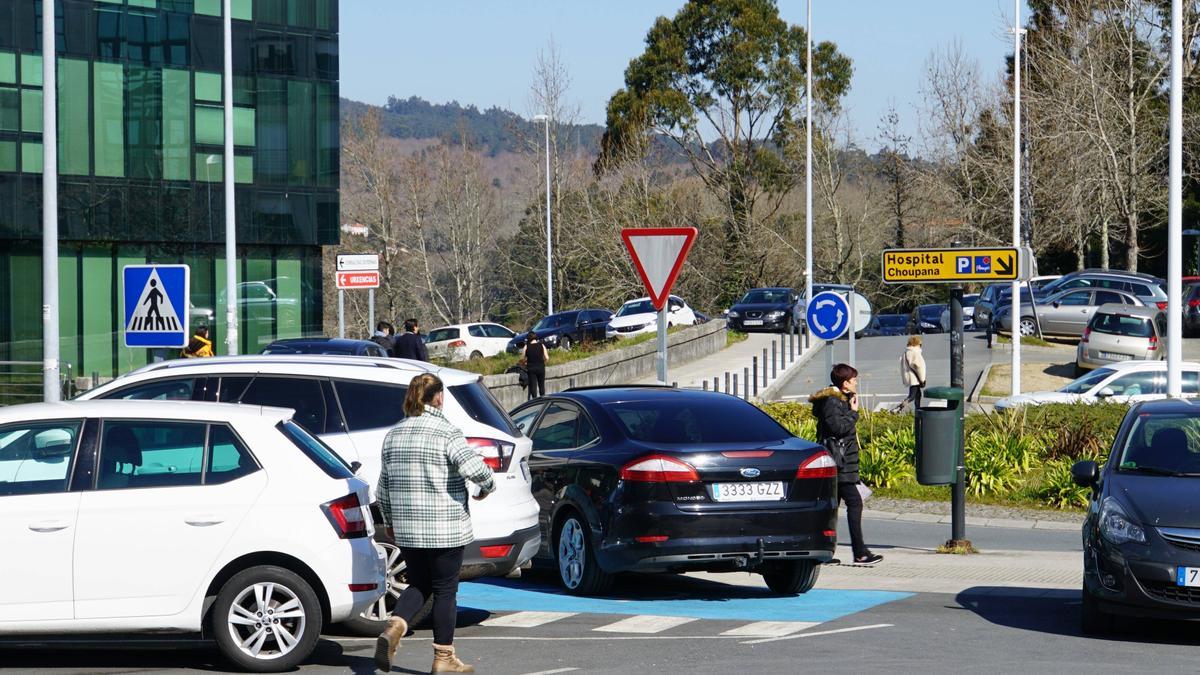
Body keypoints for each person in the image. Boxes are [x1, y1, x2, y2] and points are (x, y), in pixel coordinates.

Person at [375, 374, 495, 673]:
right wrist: (487, 486)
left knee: (419, 584)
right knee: (444, 591)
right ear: (438, 397)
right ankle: (444, 659)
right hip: (445, 527)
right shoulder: (447, 432)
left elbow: (383, 487)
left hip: (407, 527)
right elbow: (475, 470)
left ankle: (395, 624)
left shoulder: (394, 434)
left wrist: (390, 521)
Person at [810, 364, 883, 566]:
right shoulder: (832, 402)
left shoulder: (838, 400)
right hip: (839, 463)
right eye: (854, 380)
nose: (856, 383)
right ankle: (860, 553)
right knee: (853, 503)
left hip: (843, 463)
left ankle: (822, 552)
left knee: (830, 507)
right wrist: (854, 413)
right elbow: (838, 428)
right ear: (845, 383)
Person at [898, 335, 927, 412]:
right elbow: (918, 367)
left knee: (918, 394)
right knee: (912, 396)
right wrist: (922, 379)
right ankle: (898, 408)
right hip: (915, 379)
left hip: (910, 377)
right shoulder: (915, 353)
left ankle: (918, 409)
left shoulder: (906, 352)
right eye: (920, 344)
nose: (921, 346)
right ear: (917, 344)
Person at [523, 330, 548, 399]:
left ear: (528, 339)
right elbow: (547, 357)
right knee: (541, 385)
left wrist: (525, 363)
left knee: (533, 386)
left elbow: (523, 359)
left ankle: (535, 401)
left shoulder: (526, 347)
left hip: (531, 368)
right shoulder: (541, 345)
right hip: (541, 367)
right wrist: (542, 362)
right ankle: (543, 399)